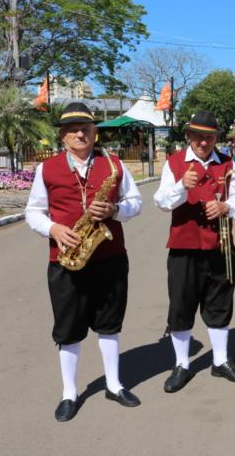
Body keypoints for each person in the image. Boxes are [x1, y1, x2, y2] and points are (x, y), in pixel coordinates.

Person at [24, 102, 143, 422]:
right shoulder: (46, 169)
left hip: (110, 257)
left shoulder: (115, 164)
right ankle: (69, 392)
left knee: (110, 324)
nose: (80, 133)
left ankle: (115, 385)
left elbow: (135, 202)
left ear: (94, 133)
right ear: (63, 136)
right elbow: (33, 212)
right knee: (69, 329)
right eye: (73, 129)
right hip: (66, 260)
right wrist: (54, 228)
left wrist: (116, 211)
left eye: (86, 128)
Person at [153, 111, 235, 393]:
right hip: (184, 248)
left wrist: (225, 208)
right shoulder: (174, 163)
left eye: (208, 137)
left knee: (220, 304)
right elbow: (161, 202)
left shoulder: (227, 163)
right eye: (197, 136)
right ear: (189, 137)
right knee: (181, 306)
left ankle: (220, 361)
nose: (203, 142)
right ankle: (181, 364)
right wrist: (182, 187)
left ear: (216, 138)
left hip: (219, 248)